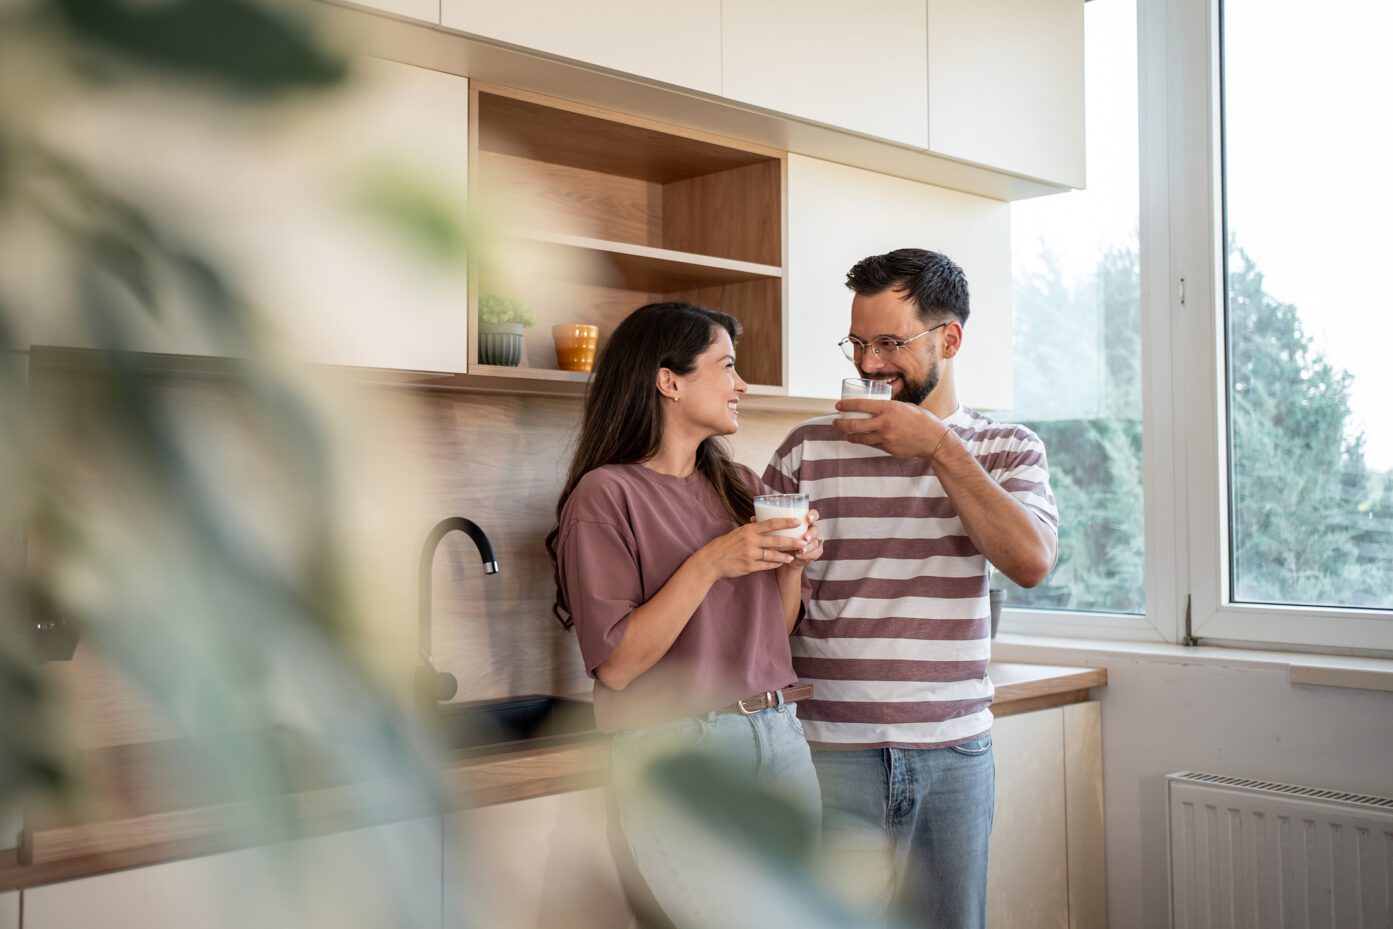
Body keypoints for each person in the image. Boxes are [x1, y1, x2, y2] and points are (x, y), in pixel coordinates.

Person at [763, 249, 1059, 928]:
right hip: (826, 751)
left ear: (948, 339)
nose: (868, 365)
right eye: (859, 343)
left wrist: (938, 447)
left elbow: (1030, 561)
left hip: (954, 751)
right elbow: (760, 617)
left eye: (890, 344)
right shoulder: (804, 449)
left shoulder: (1006, 448)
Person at [546, 301, 826, 929]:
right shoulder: (605, 495)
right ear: (668, 381)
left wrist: (795, 561)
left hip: (778, 736)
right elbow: (617, 666)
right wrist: (710, 563)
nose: (741, 384)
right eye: (726, 366)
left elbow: (768, 639)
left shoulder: (741, 486)